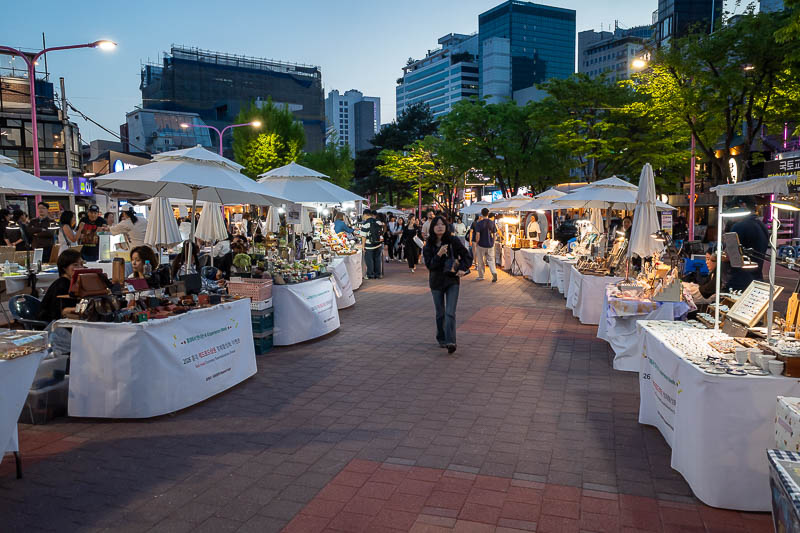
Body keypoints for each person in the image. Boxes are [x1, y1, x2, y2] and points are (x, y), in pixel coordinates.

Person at [423, 216, 472, 354]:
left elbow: (467, 255)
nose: (440, 227)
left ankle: (451, 341)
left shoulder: (453, 241)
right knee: (440, 313)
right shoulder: (429, 245)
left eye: (442, 224)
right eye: (437, 225)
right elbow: (430, 265)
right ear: (432, 228)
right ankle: (441, 337)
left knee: (450, 312)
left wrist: (463, 268)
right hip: (436, 281)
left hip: (452, 281)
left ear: (446, 227)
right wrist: (438, 254)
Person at [728, 197, 768, 290]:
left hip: (739, 282)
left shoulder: (738, 226)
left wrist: (715, 257)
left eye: (733, 209)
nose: (730, 213)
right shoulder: (762, 226)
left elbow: (730, 256)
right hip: (757, 280)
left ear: (743, 206)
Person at [38, 249, 82, 323]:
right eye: (75, 265)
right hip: (50, 324)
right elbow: (60, 312)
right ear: (64, 268)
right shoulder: (61, 285)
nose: (80, 268)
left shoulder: (74, 283)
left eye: (81, 264)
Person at [474, 208, 498, 282]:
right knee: (491, 260)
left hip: (481, 244)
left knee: (481, 261)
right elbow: (494, 235)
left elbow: (478, 235)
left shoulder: (479, 224)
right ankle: (494, 272)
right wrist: (493, 242)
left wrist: (477, 242)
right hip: (490, 244)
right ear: (488, 213)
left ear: (481, 213)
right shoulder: (492, 223)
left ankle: (481, 276)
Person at [360, 210, 383, 279]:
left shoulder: (365, 224)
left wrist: (363, 246)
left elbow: (363, 236)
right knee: (377, 259)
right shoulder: (378, 222)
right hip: (378, 244)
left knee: (369, 260)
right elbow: (381, 233)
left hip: (369, 245)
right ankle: (378, 274)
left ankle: (370, 275)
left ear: (365, 215)